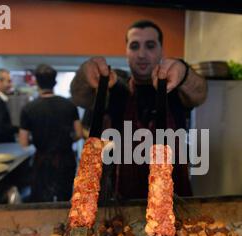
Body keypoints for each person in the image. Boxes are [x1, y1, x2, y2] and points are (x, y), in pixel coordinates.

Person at [70, 20, 207, 199]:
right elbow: (79, 96)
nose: (142, 54)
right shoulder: (115, 88)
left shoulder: (176, 88)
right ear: (126, 52)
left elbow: (200, 94)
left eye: (150, 46)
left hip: (172, 198)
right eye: (134, 46)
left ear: (161, 50)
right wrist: (84, 73)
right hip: (120, 198)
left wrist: (184, 72)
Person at [19, 64, 83, 202]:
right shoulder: (69, 105)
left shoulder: (28, 108)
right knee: (65, 199)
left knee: (42, 202)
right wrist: (66, 139)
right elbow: (78, 134)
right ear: (55, 82)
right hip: (65, 160)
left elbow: (23, 142)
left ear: (36, 82)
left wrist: (38, 138)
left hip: (42, 161)